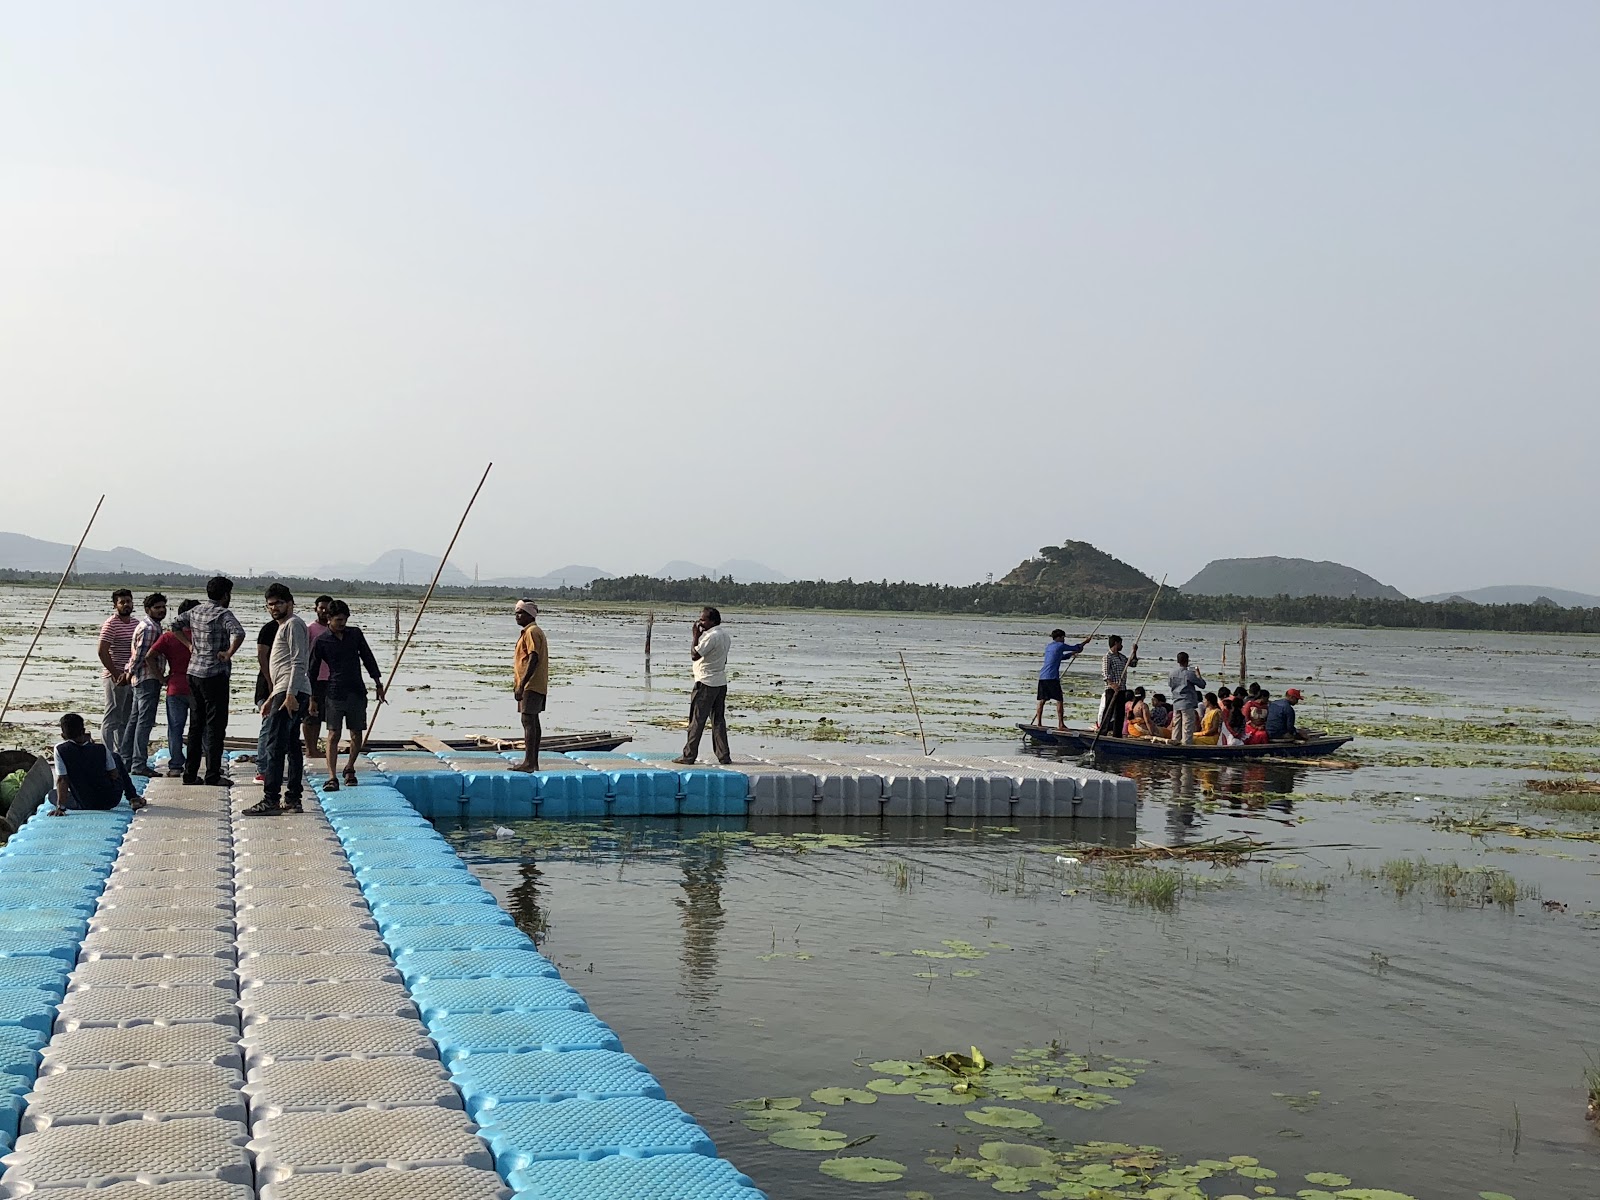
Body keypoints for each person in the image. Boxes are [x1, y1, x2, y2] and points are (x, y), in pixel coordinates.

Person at [244, 584, 311, 816]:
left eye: (279, 603)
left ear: (290, 603)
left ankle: (271, 799)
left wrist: (290, 694)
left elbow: (298, 662)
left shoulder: (293, 624)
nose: (274, 608)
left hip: (291, 692)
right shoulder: (282, 626)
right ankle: (292, 798)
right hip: (284, 691)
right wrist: (271, 697)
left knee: (274, 745)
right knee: (291, 745)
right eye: (270, 604)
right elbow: (282, 668)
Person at [174, 576, 245, 787]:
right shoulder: (223, 613)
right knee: (215, 726)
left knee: (196, 725)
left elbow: (174, 624)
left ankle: (190, 773)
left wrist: (189, 644)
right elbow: (239, 632)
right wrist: (229, 653)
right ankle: (212, 774)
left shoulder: (195, 611)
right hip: (214, 674)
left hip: (194, 673)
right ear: (225, 595)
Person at [308, 599, 384, 790]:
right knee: (333, 734)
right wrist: (312, 698)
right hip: (334, 692)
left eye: (344, 619)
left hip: (356, 691)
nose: (342, 623)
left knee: (357, 733)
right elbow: (313, 671)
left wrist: (378, 682)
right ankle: (332, 776)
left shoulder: (355, 634)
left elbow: (368, 657)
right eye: (338, 620)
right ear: (329, 618)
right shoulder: (322, 641)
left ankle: (349, 768)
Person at [49, 713, 144, 814]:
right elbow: (114, 774)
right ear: (84, 731)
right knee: (115, 757)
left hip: (84, 803)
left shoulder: (60, 750)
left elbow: (62, 780)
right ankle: (133, 797)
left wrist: (60, 807)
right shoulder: (101, 748)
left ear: (63, 735)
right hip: (110, 801)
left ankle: (70, 800)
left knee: (52, 794)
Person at [673, 606, 732, 765]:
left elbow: (695, 655)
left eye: (703, 619)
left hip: (706, 683)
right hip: (720, 682)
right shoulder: (725, 636)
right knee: (718, 720)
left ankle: (689, 755)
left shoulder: (710, 636)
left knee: (697, 720)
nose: (700, 622)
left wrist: (695, 636)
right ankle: (723, 755)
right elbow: (723, 660)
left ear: (712, 621)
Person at [147, 600, 197, 777]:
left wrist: (161, 678)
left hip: (175, 686)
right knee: (200, 727)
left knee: (175, 728)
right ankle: (201, 763)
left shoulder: (169, 636)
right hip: (197, 686)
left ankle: (175, 765)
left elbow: (149, 656)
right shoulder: (202, 636)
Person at [123, 592, 168, 777]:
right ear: (148, 610)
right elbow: (142, 655)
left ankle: (126, 760)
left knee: (134, 720)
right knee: (144, 722)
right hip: (147, 678)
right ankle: (139, 763)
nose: (161, 610)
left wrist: (129, 672)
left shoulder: (148, 625)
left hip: (140, 679)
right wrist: (130, 671)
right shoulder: (150, 628)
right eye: (157, 607)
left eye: (163, 607)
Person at [96, 589, 138, 769]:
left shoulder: (136, 623)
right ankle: (107, 755)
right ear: (115, 605)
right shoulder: (111, 624)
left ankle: (122, 755)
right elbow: (102, 651)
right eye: (122, 602)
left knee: (126, 718)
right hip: (115, 676)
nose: (126, 605)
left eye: (128, 601)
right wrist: (115, 673)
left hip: (131, 676)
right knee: (112, 716)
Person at [507, 600, 549, 773]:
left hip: (531, 684)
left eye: (521, 613)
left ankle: (529, 763)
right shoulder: (530, 632)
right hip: (534, 683)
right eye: (516, 613)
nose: (517, 616)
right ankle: (533, 762)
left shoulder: (532, 632)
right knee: (532, 720)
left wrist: (522, 684)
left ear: (530, 615)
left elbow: (533, 658)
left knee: (527, 720)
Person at [1032, 629, 1094, 731]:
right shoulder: (1060, 645)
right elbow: (1076, 647)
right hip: (1052, 677)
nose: (1064, 639)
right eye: (1063, 637)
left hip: (1043, 676)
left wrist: (1071, 654)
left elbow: (1060, 657)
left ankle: (1039, 723)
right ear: (1059, 637)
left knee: (1042, 700)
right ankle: (1061, 724)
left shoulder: (1049, 646)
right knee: (1059, 700)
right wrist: (1085, 642)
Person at [300, 595, 335, 758]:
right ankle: (310, 749)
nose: (324, 611)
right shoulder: (310, 629)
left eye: (327, 608)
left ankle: (318, 748)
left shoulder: (333, 630)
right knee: (310, 715)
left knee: (324, 715)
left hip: (331, 678)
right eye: (321, 608)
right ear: (316, 609)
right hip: (313, 677)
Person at [250, 610, 280, 784]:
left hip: (285, 685)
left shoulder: (294, 628)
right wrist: (270, 681)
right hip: (267, 687)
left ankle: (274, 768)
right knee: (268, 726)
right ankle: (263, 769)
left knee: (281, 729)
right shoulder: (268, 630)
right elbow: (262, 656)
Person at [1096, 635, 1139, 737]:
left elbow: (1133, 664)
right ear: (1115, 643)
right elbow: (1105, 673)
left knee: (1119, 712)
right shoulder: (1108, 657)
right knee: (1109, 710)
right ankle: (1103, 732)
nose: (1122, 646)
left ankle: (1117, 734)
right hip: (1112, 689)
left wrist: (1134, 652)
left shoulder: (1122, 657)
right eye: (1120, 643)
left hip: (1122, 689)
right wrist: (1112, 684)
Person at [1166, 652, 1206, 745]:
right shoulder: (1189, 674)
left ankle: (1174, 745)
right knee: (1187, 728)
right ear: (1187, 661)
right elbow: (1202, 685)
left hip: (1176, 703)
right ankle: (1186, 746)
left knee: (1176, 727)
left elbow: (1170, 685)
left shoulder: (1172, 673)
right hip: (1187, 703)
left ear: (1178, 661)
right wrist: (1198, 675)